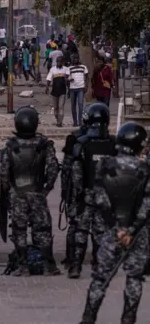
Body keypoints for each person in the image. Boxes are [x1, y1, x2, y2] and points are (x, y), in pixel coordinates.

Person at [79, 122, 150, 324]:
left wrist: (117, 228)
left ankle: (88, 317)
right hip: (136, 234)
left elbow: (99, 199)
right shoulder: (145, 170)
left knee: (100, 278)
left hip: (110, 230)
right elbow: (147, 205)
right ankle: (128, 319)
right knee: (134, 278)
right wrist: (132, 230)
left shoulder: (105, 165)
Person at [0, 106, 61, 276]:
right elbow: (53, 168)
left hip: (17, 193)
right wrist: (47, 187)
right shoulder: (43, 144)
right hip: (37, 191)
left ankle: (23, 266)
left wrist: (9, 190)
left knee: (19, 230)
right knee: (43, 229)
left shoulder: (10, 146)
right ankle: (49, 265)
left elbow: (3, 172)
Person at [67, 103, 117, 279]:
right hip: (106, 197)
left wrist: (76, 194)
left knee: (81, 232)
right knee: (100, 233)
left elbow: (76, 173)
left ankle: (75, 267)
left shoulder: (82, 145)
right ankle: (99, 266)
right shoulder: (114, 145)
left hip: (86, 196)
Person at [59, 113, 88, 270]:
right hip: (99, 194)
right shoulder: (107, 142)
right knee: (99, 228)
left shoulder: (74, 138)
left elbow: (66, 170)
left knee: (75, 225)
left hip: (77, 193)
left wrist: (65, 192)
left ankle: (71, 259)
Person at [46, 57, 69, 127]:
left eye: (60, 62)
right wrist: (47, 87)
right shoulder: (52, 69)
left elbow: (68, 80)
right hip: (54, 91)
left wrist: (69, 88)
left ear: (62, 62)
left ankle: (59, 122)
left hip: (63, 91)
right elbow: (49, 79)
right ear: (56, 62)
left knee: (61, 107)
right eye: (58, 62)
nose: (59, 63)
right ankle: (58, 119)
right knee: (55, 108)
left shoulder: (66, 69)